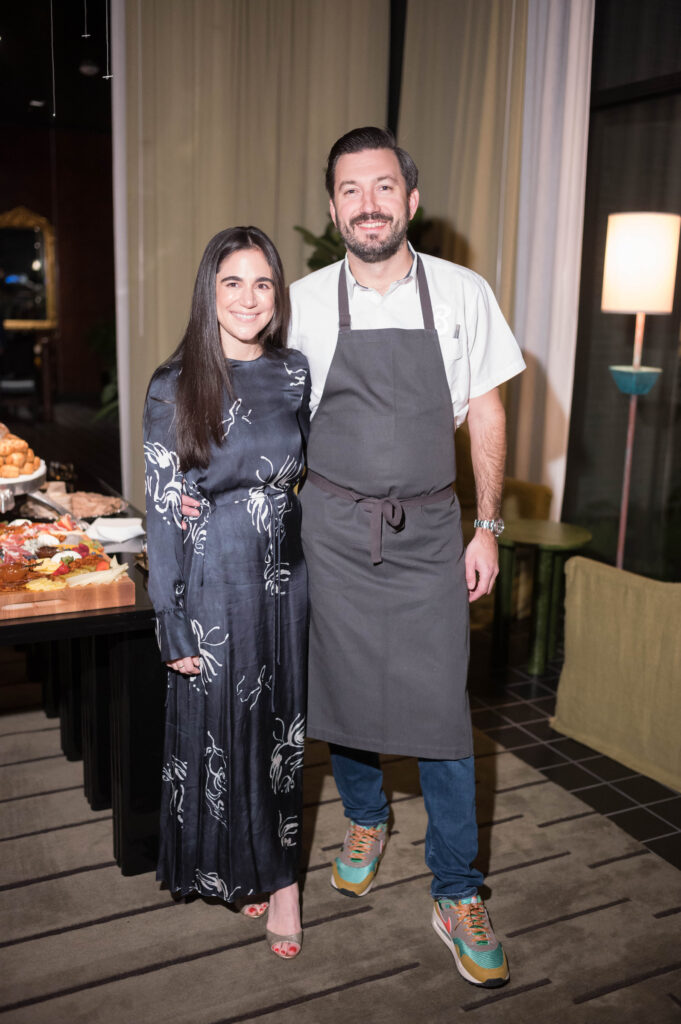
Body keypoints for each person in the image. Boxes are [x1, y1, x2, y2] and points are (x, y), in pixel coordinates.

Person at [183, 129, 525, 988]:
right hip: (328, 533)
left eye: (382, 187)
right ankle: (365, 818)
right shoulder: (297, 301)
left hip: (429, 534)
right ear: (332, 207)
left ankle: (456, 890)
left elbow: (484, 412)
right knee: (341, 691)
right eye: (349, 190)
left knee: (442, 715)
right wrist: (192, 479)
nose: (367, 203)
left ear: (409, 202)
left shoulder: (461, 293)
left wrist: (487, 525)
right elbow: (237, 396)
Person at [143, 226, 310, 960]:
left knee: (280, 738)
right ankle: (240, 866)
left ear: (277, 295)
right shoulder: (172, 383)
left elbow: (314, 475)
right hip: (212, 585)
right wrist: (170, 619)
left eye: (263, 283)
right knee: (222, 741)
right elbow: (162, 507)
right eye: (232, 283)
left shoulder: (295, 372)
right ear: (209, 293)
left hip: (286, 582)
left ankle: (282, 884)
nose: (248, 298)